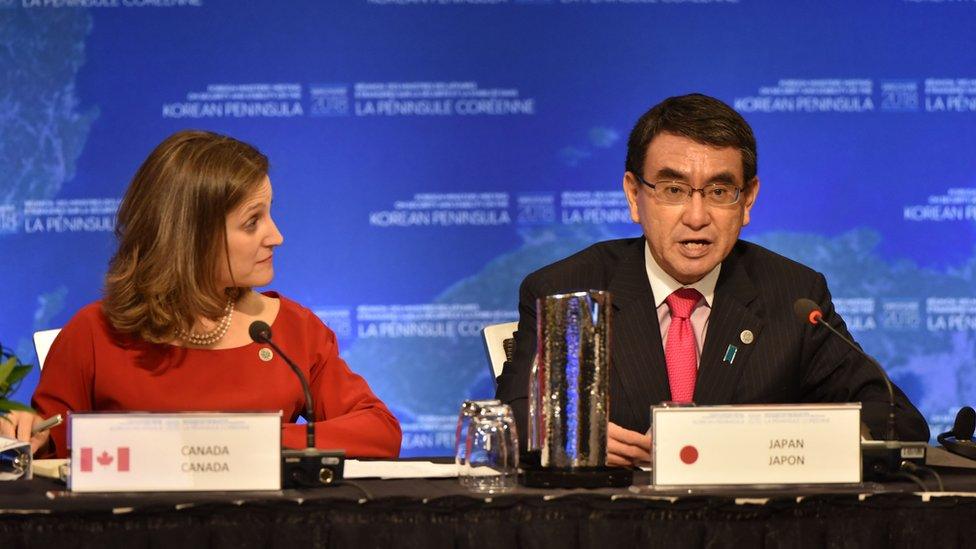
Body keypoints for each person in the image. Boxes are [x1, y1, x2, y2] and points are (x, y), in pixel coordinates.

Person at [495, 93, 929, 467]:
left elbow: (895, 418)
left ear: (748, 201)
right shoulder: (569, 288)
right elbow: (513, 418)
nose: (698, 217)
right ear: (634, 195)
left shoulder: (793, 295)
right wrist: (572, 439)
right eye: (673, 190)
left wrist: (785, 441)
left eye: (720, 192)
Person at [0, 130, 401, 459]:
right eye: (252, 222)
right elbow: (45, 446)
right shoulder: (94, 334)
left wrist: (246, 444)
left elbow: (379, 432)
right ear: (190, 238)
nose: (276, 236)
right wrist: (22, 434)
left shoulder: (292, 332)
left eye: (270, 214)